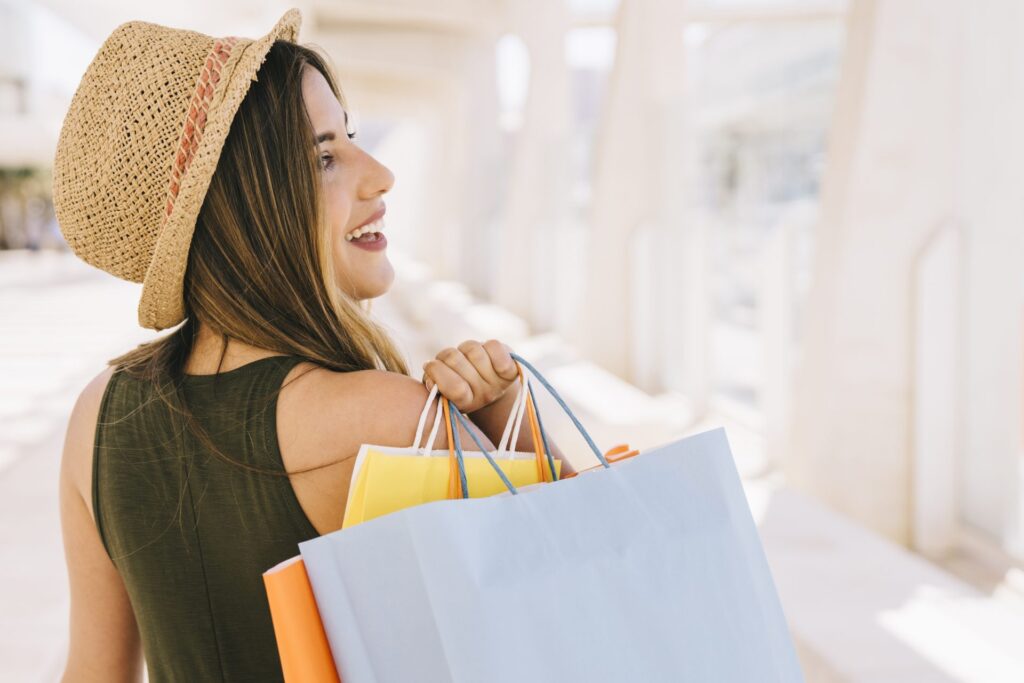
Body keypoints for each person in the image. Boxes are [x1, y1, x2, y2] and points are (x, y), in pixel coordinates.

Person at [52, 9, 573, 682]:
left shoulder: (97, 418)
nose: (380, 174)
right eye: (325, 157)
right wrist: (508, 415)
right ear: (249, 206)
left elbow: (92, 674)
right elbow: (589, 595)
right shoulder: (389, 421)